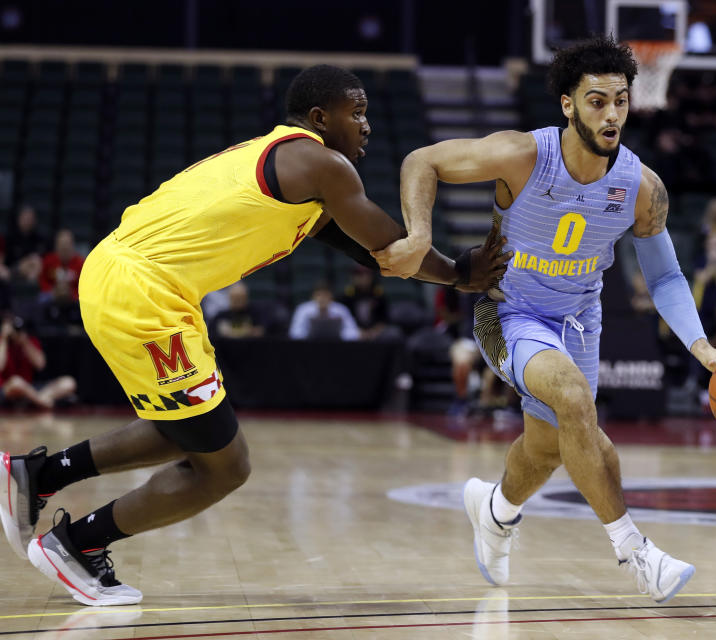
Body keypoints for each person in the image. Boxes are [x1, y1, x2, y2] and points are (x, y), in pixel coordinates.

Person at [0, 64, 507, 606]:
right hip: (143, 290)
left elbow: (372, 254)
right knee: (224, 466)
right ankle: (74, 545)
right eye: (355, 112)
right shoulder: (321, 163)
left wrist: (455, 271)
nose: (366, 125)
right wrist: (459, 272)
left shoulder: (291, 167)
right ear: (319, 117)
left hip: (134, 280)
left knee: (187, 432)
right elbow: (391, 246)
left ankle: (38, 475)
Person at [379, 37, 716, 603]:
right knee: (573, 401)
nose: (612, 113)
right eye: (596, 101)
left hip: (579, 321)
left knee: (547, 446)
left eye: (620, 100)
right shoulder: (522, 155)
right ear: (568, 104)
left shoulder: (641, 187)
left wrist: (703, 349)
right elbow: (423, 161)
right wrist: (419, 234)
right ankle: (636, 552)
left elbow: (665, 278)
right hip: (508, 313)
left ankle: (494, 511)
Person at [0, 315, 76, 409]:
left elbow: (40, 365)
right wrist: (4, 338)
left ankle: (35, 400)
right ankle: (41, 402)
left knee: (68, 382)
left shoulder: (29, 341)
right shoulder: (2, 342)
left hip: (30, 388)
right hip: (8, 388)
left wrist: (24, 342)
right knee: (17, 382)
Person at [288, 281, 359, 341]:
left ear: (331, 296)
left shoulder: (341, 309)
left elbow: (353, 332)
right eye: (319, 295)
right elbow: (294, 332)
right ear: (313, 296)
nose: (322, 298)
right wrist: (309, 335)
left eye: (325, 295)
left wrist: (339, 334)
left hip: (336, 346)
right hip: (309, 347)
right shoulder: (302, 309)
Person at [38, 229, 84, 301]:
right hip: (52, 296)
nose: (64, 248)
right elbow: (42, 280)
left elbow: (83, 287)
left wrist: (71, 293)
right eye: (61, 245)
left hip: (74, 299)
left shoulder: (81, 264)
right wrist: (53, 291)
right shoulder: (48, 261)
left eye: (67, 245)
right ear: (56, 246)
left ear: (73, 246)